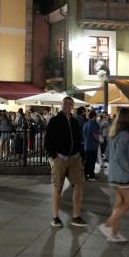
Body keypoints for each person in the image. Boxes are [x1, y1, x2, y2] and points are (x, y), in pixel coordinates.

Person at [44, 96, 87, 229]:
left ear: (73, 106)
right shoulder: (55, 120)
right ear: (62, 105)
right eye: (65, 103)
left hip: (74, 158)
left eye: (70, 103)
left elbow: (79, 139)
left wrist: (81, 155)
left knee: (78, 185)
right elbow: (48, 140)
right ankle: (56, 217)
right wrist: (53, 156)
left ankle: (76, 215)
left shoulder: (74, 121)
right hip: (60, 158)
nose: (67, 105)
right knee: (58, 187)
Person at [98, 108, 129, 243]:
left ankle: (114, 233)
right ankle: (107, 225)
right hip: (122, 174)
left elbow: (108, 153)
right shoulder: (125, 134)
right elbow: (119, 155)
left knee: (119, 202)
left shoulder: (114, 132)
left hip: (114, 173)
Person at [82, 111, 100, 180]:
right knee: (92, 162)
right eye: (96, 116)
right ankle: (91, 175)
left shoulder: (85, 124)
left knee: (87, 161)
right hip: (93, 146)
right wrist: (99, 141)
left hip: (86, 146)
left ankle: (85, 175)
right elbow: (95, 135)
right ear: (94, 116)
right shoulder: (93, 124)